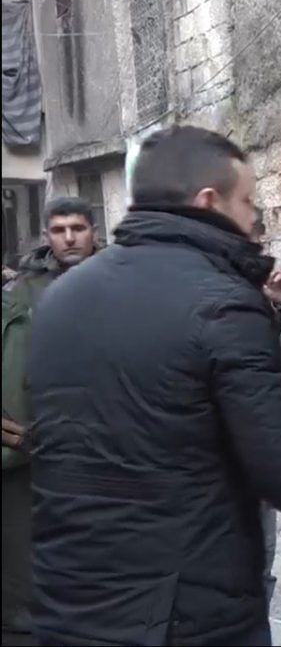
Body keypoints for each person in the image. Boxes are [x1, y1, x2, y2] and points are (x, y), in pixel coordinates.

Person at [26, 125, 281, 646]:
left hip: (71, 596)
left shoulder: (61, 297)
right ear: (208, 201)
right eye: (248, 203)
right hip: (186, 606)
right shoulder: (223, 301)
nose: (255, 219)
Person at [2, 197, 100, 647]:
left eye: (78, 228)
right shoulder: (21, 291)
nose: (69, 238)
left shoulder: (122, 277)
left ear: (94, 231)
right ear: (46, 237)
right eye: (59, 230)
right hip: (35, 445)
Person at [249, 206, 281, 607]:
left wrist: (280, 307)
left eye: (258, 237)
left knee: (261, 557)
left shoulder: (262, 290)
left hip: (258, 444)